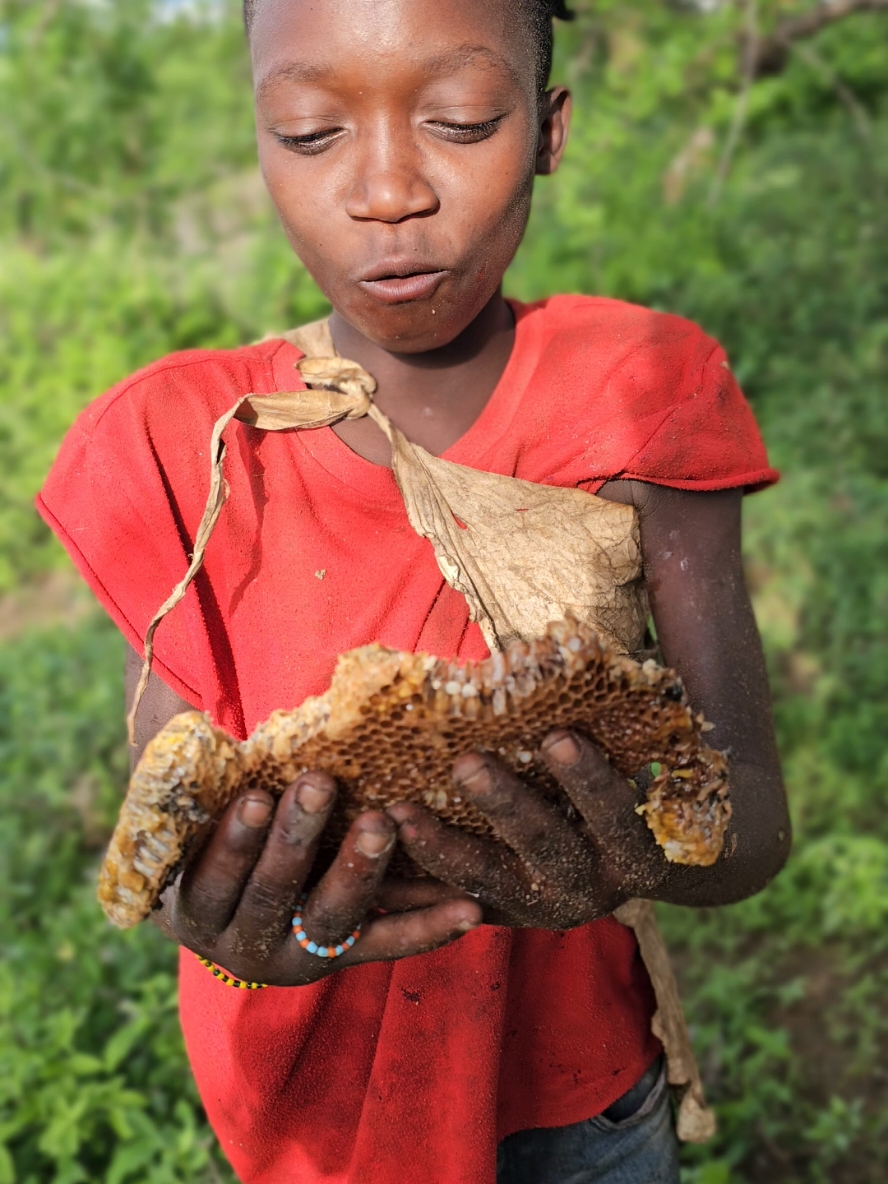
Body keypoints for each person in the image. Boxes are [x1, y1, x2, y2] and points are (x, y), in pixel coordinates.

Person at [37, 1, 791, 1181]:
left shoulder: (642, 388)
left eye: (457, 119)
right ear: (255, 133)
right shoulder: (182, 441)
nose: (388, 190)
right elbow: (176, 831)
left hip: (577, 1097)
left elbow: (748, 812)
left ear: (547, 130)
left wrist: (644, 854)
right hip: (309, 1118)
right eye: (309, 132)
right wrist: (226, 923)